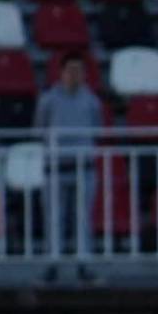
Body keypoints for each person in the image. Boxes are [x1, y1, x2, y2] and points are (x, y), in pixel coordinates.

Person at [33, 50, 102, 257]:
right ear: (61, 73)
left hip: (84, 168)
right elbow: (39, 129)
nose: (75, 75)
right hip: (56, 168)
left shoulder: (91, 101)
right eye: (70, 70)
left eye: (79, 71)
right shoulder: (48, 100)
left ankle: (84, 264)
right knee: (54, 219)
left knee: (83, 219)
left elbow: (97, 129)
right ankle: (52, 264)